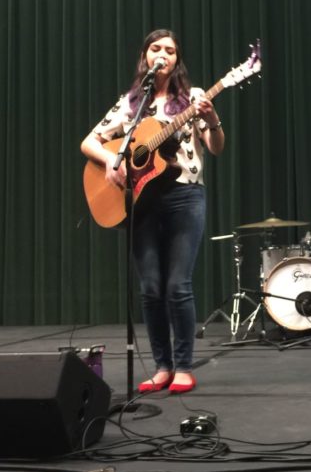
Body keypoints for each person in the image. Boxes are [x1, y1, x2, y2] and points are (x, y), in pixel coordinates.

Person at [81, 28, 226, 394]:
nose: (163, 55)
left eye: (171, 51)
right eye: (156, 48)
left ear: (178, 60)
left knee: (178, 285)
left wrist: (211, 120)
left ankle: (183, 366)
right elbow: (88, 142)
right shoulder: (131, 102)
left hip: (184, 197)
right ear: (145, 56)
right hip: (141, 203)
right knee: (150, 288)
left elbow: (216, 147)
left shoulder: (192, 98)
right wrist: (114, 161)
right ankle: (161, 366)